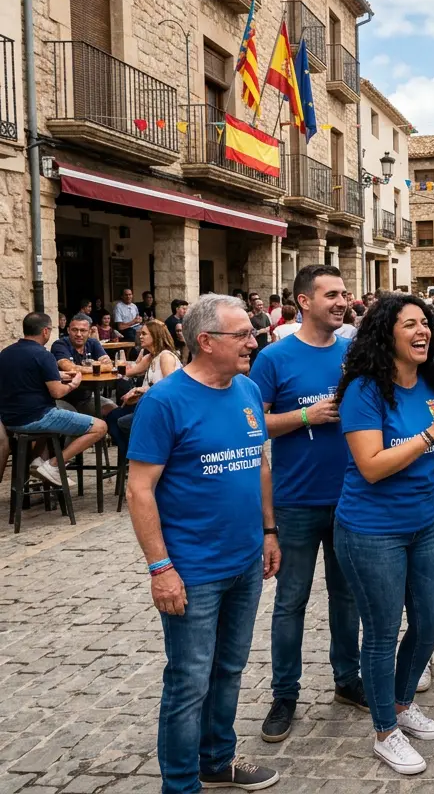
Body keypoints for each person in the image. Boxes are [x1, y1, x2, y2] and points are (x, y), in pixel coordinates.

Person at [333, 293, 434, 775]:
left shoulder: (430, 385)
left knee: (430, 619)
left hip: (422, 521)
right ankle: (385, 730)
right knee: (383, 632)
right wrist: (432, 432)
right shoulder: (365, 390)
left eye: (425, 323)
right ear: (387, 335)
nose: (423, 331)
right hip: (371, 529)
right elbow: (370, 466)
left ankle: (404, 705)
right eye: (410, 324)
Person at [125, 294, 282, 794]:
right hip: (193, 568)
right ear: (206, 341)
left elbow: (258, 464)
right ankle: (179, 784)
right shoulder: (165, 401)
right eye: (243, 335)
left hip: (244, 560)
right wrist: (160, 568)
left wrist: (269, 531)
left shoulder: (248, 390)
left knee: (231, 667)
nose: (253, 340)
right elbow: (139, 489)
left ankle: (216, 759)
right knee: (189, 680)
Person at [247, 266, 367, 743]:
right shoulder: (274, 358)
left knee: (348, 597)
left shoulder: (354, 353)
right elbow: (253, 425)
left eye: (344, 294)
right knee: (291, 601)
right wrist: (305, 415)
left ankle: (347, 679)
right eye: (331, 295)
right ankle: (284, 694)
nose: (342, 302)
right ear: (304, 302)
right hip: (295, 502)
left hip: (350, 499)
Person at [0, 312, 109, 487]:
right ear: (45, 331)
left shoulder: (5, 353)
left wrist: (56, 374)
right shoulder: (44, 355)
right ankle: (53, 465)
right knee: (100, 427)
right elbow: (57, 392)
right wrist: (73, 384)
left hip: (10, 420)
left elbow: (25, 375)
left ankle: (36, 462)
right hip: (38, 417)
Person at [107, 320, 180, 452]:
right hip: (149, 405)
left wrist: (141, 389)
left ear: (155, 336)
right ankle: (132, 456)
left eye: (144, 334)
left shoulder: (166, 357)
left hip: (163, 410)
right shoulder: (150, 357)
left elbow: (171, 386)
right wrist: (116, 365)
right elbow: (127, 373)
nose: (140, 336)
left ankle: (141, 454)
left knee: (122, 422)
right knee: (112, 416)